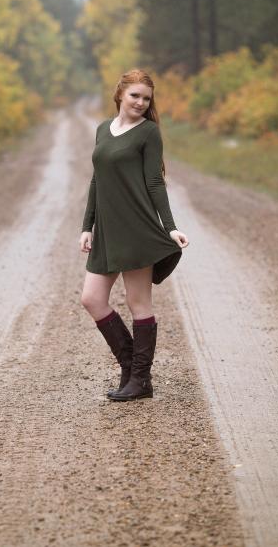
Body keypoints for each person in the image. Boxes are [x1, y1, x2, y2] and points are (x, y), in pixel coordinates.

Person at [79, 68, 190, 402]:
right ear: (120, 94)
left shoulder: (148, 133)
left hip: (137, 227)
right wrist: (87, 226)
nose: (141, 102)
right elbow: (97, 179)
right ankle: (132, 370)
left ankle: (139, 379)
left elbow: (155, 182)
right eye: (135, 96)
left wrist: (170, 226)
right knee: (92, 299)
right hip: (108, 230)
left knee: (138, 301)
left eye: (146, 98)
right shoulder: (102, 129)